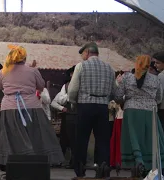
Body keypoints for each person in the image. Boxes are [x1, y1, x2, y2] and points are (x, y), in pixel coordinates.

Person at [0, 45, 64, 169]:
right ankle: (34, 161)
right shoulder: (32, 70)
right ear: (24, 57)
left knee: (11, 137)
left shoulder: (4, 71)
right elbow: (41, 86)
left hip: (9, 108)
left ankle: (10, 162)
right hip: (31, 107)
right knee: (34, 135)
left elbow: (0, 86)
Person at [68, 42, 116, 177]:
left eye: (83, 54)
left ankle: (80, 171)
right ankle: (103, 170)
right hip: (102, 107)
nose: (82, 56)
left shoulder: (81, 66)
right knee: (102, 141)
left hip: (85, 106)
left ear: (87, 52)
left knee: (81, 139)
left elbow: (72, 90)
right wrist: (105, 99)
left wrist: (73, 102)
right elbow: (114, 91)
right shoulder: (109, 68)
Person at [115, 55, 164, 175]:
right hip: (150, 112)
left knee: (134, 138)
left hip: (131, 112)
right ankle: (150, 168)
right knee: (149, 140)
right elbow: (159, 98)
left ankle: (137, 162)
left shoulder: (127, 78)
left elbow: (117, 96)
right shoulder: (155, 79)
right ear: (149, 66)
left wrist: (125, 100)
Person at [51, 65, 77, 169]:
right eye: (72, 73)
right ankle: (60, 161)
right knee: (64, 139)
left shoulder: (83, 85)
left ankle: (75, 162)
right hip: (68, 116)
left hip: (79, 115)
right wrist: (62, 108)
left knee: (76, 140)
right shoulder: (66, 86)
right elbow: (56, 101)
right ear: (70, 75)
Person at [153, 51, 164, 136]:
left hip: (163, 110)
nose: (155, 65)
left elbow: (159, 95)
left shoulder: (162, 76)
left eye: (158, 63)